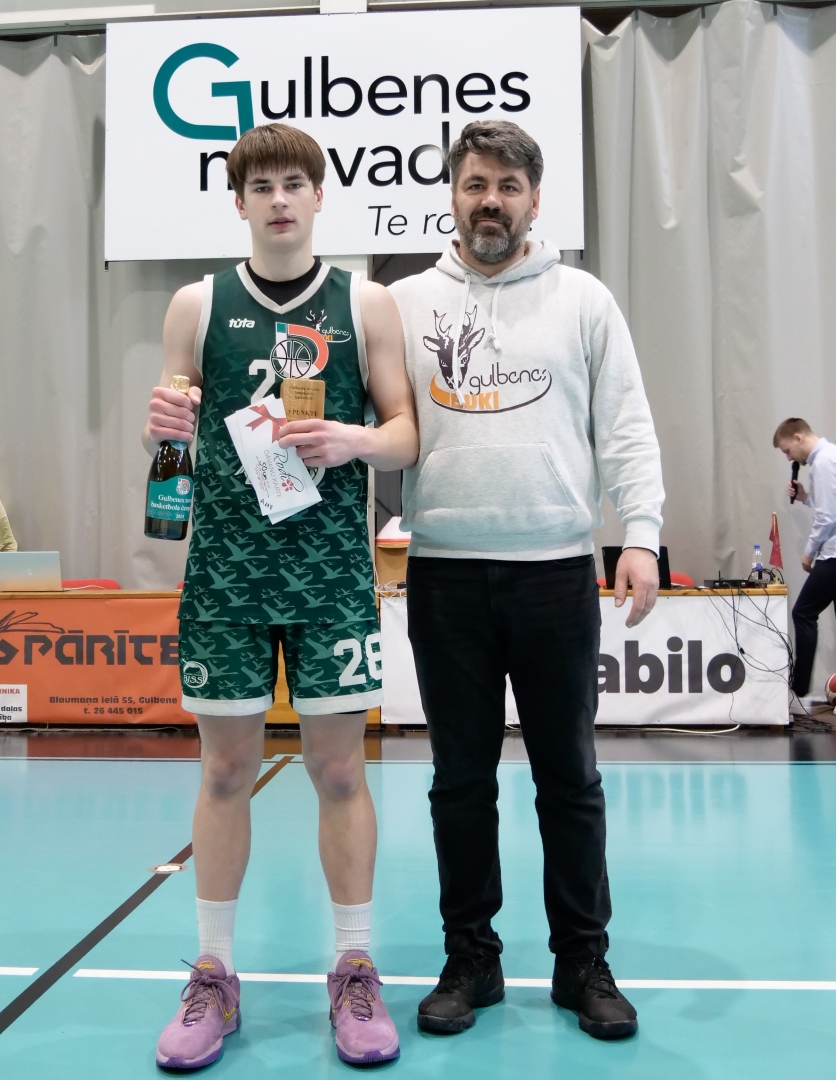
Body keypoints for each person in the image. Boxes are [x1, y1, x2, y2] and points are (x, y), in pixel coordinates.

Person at [142, 123, 417, 1070]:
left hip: (331, 576)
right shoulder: (197, 304)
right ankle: (214, 974)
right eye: (262, 186)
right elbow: (172, 439)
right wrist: (159, 428)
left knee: (338, 773)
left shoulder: (365, 302)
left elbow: (406, 431)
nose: (280, 199)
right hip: (225, 577)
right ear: (240, 202)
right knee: (224, 772)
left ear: (319, 195)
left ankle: (354, 966)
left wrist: (354, 440)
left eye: (295, 183)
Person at [389, 120, 664, 1042]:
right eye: (476, 184)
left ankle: (582, 960)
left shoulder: (584, 300)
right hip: (444, 576)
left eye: (508, 186)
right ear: (452, 196)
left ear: (535, 200)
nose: (491, 201)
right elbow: (370, 427)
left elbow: (626, 424)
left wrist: (641, 534)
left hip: (555, 573)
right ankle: (471, 957)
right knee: (459, 783)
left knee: (569, 781)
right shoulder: (405, 304)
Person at [774, 417, 836, 702]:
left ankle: (798, 687)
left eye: (787, 450)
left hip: (833, 555)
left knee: (803, 613)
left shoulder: (822, 462)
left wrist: (809, 552)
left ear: (798, 437)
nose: (789, 457)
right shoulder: (830, 455)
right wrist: (805, 498)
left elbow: (827, 518)